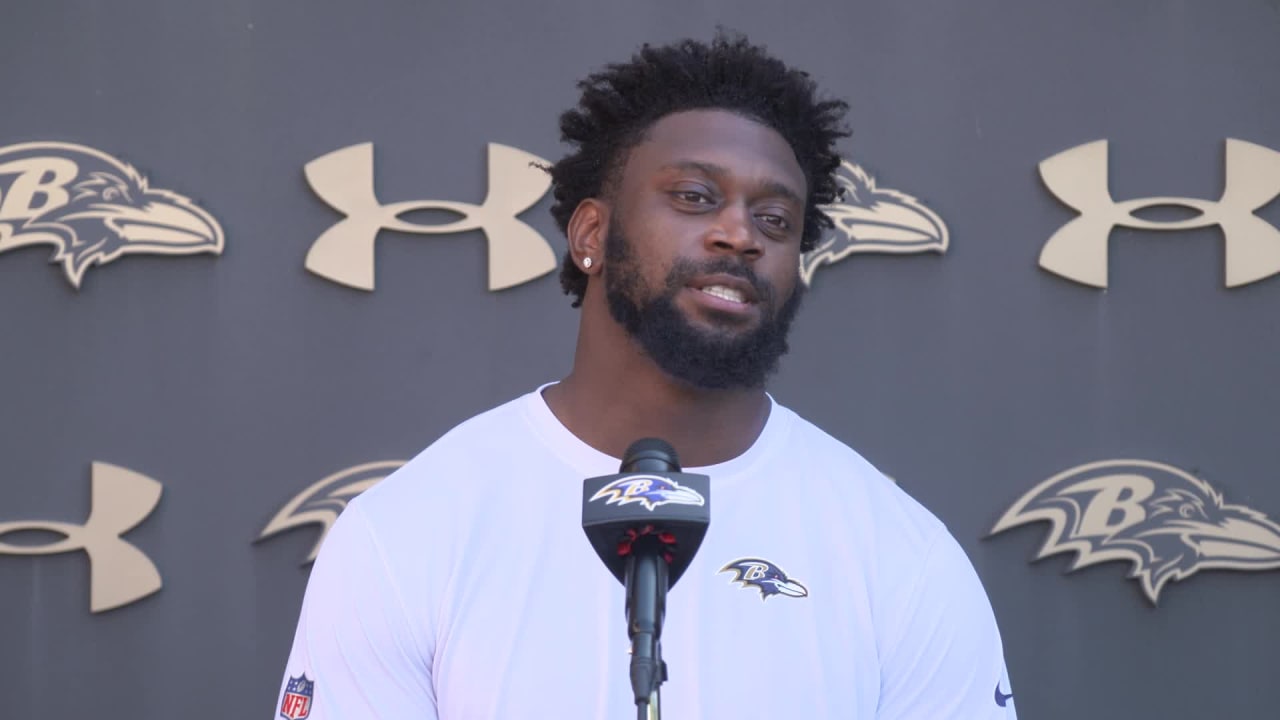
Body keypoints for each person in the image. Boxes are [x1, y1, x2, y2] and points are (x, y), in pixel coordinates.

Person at [275, 33, 1016, 719]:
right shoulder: (411, 531)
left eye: (775, 220)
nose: (739, 235)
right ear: (592, 234)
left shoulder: (899, 555)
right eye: (695, 197)